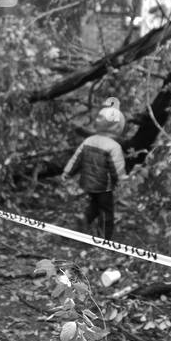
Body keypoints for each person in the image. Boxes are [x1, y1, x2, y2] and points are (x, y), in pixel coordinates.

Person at [63, 101, 127, 242]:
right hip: (104, 186)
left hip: (87, 183)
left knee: (95, 204)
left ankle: (84, 219)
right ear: (118, 127)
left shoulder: (88, 140)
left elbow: (76, 159)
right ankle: (104, 239)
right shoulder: (114, 146)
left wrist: (67, 172)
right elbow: (117, 168)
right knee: (106, 212)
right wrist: (122, 182)